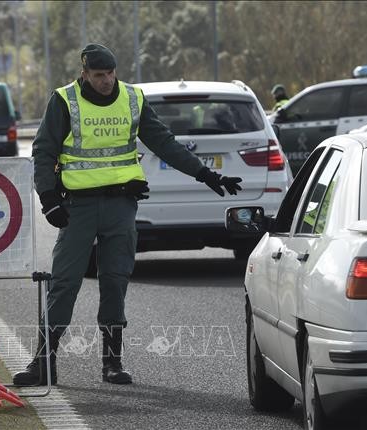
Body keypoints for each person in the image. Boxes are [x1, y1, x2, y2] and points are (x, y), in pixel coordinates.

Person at [13, 43, 242, 387]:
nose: (106, 81)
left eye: (110, 74)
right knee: (64, 283)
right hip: (77, 207)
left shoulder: (133, 99)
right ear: (85, 74)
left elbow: (164, 142)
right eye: (98, 75)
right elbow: (43, 151)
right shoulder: (64, 100)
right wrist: (48, 199)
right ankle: (43, 362)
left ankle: (112, 364)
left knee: (115, 282)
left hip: (121, 206)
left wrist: (207, 175)